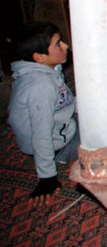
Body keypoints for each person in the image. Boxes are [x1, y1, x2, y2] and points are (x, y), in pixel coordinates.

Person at [8, 22, 79, 207]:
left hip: (63, 125)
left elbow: (65, 101)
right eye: (58, 44)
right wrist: (47, 177)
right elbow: (41, 135)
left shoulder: (49, 69)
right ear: (39, 57)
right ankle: (62, 157)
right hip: (59, 144)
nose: (66, 46)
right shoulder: (41, 87)